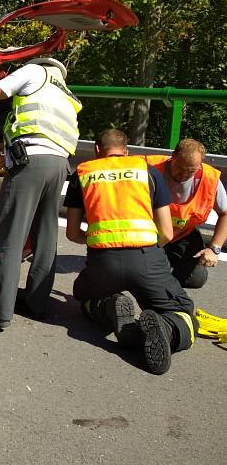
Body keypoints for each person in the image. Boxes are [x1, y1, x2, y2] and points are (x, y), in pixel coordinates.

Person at [0, 57, 81, 331]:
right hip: (59, 166)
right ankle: (37, 304)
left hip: (31, 165)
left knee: (10, 238)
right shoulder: (66, 94)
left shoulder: (33, 72)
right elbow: (37, 128)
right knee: (45, 237)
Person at [65, 128, 197, 375]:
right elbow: (167, 232)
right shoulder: (147, 172)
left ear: (96, 150)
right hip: (146, 258)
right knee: (184, 313)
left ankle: (108, 305)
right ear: (127, 151)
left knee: (84, 298)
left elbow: (72, 233)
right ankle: (167, 329)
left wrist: (98, 240)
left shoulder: (83, 173)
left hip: (103, 263)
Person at [145, 139, 226, 288]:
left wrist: (214, 248)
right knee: (139, 276)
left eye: (191, 171)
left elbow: (225, 213)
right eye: (180, 168)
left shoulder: (210, 178)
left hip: (182, 235)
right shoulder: (149, 168)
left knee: (195, 279)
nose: (184, 174)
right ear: (172, 157)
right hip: (149, 234)